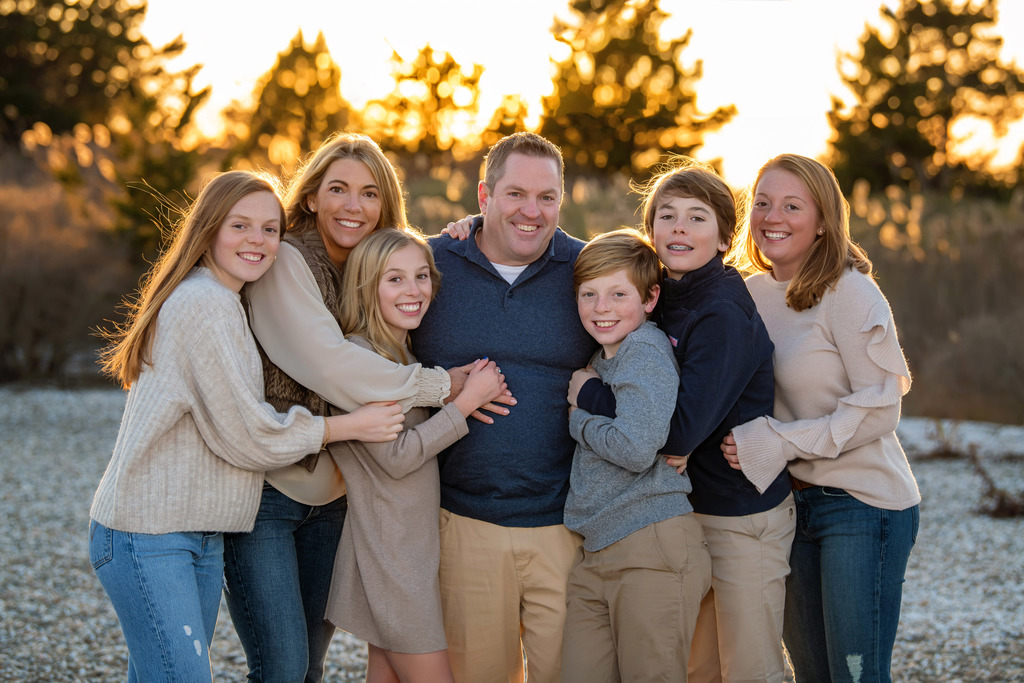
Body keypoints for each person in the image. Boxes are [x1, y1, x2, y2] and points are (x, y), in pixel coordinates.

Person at [89, 170, 405, 683]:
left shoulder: (226, 299)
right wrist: (347, 427)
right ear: (209, 228)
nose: (257, 240)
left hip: (197, 531)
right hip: (149, 533)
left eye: (269, 229)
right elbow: (250, 437)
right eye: (240, 226)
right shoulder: (205, 304)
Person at [223, 133, 484, 683]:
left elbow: (406, 265)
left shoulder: (367, 263)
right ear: (311, 196)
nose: (353, 206)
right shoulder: (287, 259)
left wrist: (468, 231)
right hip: (273, 491)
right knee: (283, 667)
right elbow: (331, 364)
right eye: (338, 189)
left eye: (369, 193)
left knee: (309, 667)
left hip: (336, 499)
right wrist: (442, 388)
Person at [571, 160, 795, 682]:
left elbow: (676, 433)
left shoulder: (721, 310)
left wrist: (590, 397)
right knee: (700, 669)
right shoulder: (666, 294)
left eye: (697, 217)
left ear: (724, 237)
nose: (679, 228)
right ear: (650, 229)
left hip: (741, 513)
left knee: (750, 667)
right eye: (666, 216)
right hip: (688, 510)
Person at [722, 154, 919, 683]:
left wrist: (780, 442)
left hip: (862, 505)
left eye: (793, 206)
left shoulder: (849, 291)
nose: (772, 217)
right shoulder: (746, 293)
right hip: (786, 506)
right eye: (762, 203)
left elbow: (881, 406)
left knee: (855, 675)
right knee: (812, 675)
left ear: (824, 220)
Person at [412, 132, 597, 683]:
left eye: (547, 197)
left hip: (568, 526)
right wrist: (439, 386)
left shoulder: (588, 270)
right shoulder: (430, 263)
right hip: (464, 524)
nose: (531, 212)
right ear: (484, 195)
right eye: (515, 194)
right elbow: (369, 348)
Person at [323, 228, 507, 683]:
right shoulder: (360, 358)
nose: (413, 290)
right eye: (395, 279)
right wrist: (467, 403)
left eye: (421, 276)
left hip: (407, 548)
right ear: (366, 286)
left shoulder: (401, 352)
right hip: (392, 556)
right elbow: (397, 458)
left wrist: (451, 386)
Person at [560, 228, 712, 681]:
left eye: (618, 294)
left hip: (650, 543)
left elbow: (636, 448)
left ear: (650, 299)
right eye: (589, 294)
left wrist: (578, 418)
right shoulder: (604, 358)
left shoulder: (643, 349)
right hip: (598, 549)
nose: (601, 307)